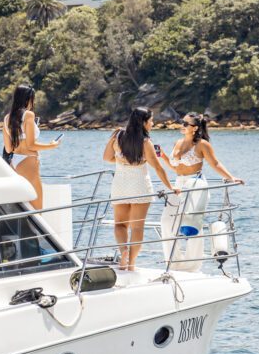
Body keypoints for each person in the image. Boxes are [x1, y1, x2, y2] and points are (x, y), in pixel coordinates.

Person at [159, 113, 245, 270]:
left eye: (186, 124)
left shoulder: (202, 145)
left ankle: (192, 265)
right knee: (166, 222)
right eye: (182, 122)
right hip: (178, 185)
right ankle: (174, 263)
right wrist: (163, 156)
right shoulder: (177, 143)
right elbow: (176, 168)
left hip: (196, 185)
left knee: (193, 226)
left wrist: (231, 177)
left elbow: (215, 163)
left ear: (195, 128)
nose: (182, 125)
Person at [103, 107, 177, 271]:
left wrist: (120, 158)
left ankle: (124, 252)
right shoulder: (145, 142)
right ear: (143, 122)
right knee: (137, 227)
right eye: (151, 121)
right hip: (140, 186)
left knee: (120, 225)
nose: (152, 124)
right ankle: (131, 263)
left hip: (120, 185)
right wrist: (171, 187)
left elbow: (106, 157)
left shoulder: (117, 136)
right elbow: (158, 168)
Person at [3, 84, 60, 210]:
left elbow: (8, 149)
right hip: (28, 162)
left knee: (22, 208)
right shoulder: (28, 115)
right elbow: (31, 145)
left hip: (15, 164)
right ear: (28, 99)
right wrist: (52, 145)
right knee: (37, 209)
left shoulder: (7, 118)